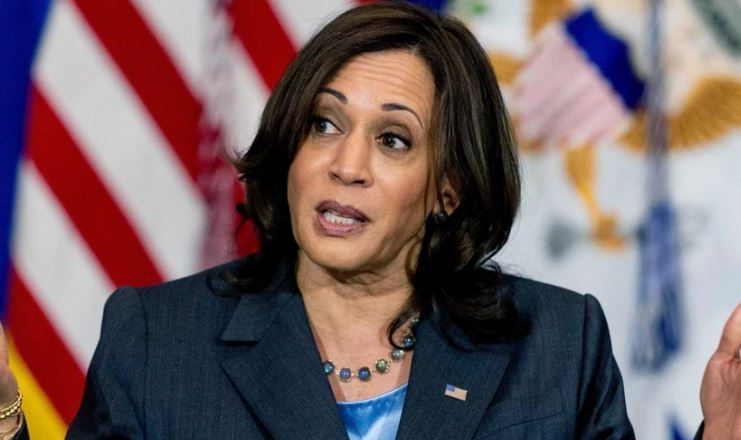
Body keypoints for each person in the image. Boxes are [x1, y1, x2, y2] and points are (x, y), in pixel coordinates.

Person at [0, 2, 738, 439]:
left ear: (448, 189)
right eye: (323, 125)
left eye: (393, 140)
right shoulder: (159, 340)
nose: (345, 164)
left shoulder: (554, 343)